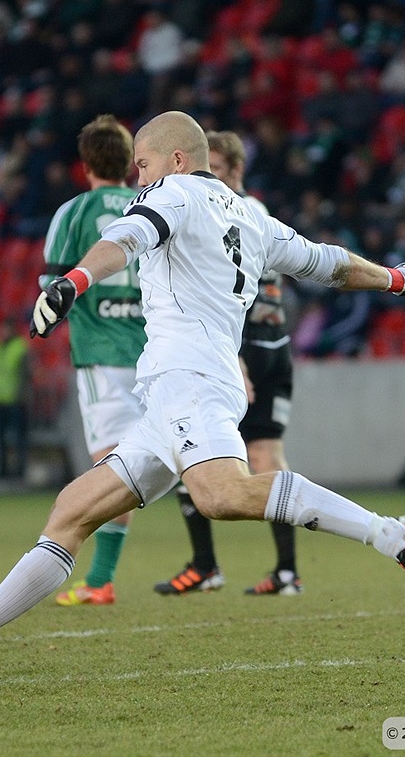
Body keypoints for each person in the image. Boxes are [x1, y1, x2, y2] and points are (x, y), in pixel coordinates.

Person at [0, 111, 405, 680]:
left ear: (174, 160)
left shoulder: (173, 192)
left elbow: (127, 236)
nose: (136, 177)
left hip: (189, 381)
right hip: (176, 394)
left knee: (220, 496)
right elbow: (328, 263)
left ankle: (392, 534)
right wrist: (396, 277)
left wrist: (73, 281)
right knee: (72, 511)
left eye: (141, 165)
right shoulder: (252, 216)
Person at [154, 130, 301, 596]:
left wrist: (234, 355)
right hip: (276, 345)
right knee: (264, 458)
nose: (205, 178)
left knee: (191, 449)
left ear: (235, 170)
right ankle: (285, 572)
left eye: (214, 169)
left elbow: (226, 295)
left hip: (245, 349)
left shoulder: (231, 212)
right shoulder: (261, 214)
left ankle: (206, 564)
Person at [41, 114, 147, 605]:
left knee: (111, 465)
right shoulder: (151, 206)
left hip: (102, 354)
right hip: (155, 351)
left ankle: (100, 579)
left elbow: (54, 287)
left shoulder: (74, 212)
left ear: (85, 164)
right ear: (130, 162)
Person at [0, 318, 30, 481]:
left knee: (19, 438)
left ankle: (19, 472)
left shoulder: (20, 347)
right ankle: (2, 470)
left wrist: (24, 395)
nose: (2, 333)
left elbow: (27, 373)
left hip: (16, 400)